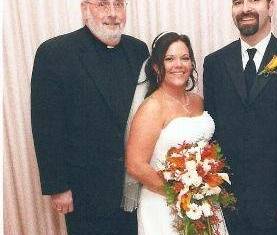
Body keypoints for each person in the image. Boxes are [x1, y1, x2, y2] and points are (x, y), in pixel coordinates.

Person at [203, 0, 277, 234]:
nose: (245, 8)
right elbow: (212, 129)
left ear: (271, 6)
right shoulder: (215, 62)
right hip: (229, 198)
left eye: (254, 1)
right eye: (238, 2)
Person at [31, 0, 149, 234]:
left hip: (134, 185)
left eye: (119, 4)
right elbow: (46, 125)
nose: (113, 14)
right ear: (85, 9)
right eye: (103, 5)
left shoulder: (139, 50)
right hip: (86, 189)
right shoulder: (55, 53)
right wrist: (58, 186)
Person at [125, 32, 229, 235]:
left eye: (185, 58)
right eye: (169, 59)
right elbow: (135, 165)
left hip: (203, 202)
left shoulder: (198, 101)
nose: (178, 64)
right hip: (164, 204)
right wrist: (183, 194)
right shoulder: (152, 107)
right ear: (156, 66)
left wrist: (200, 193)